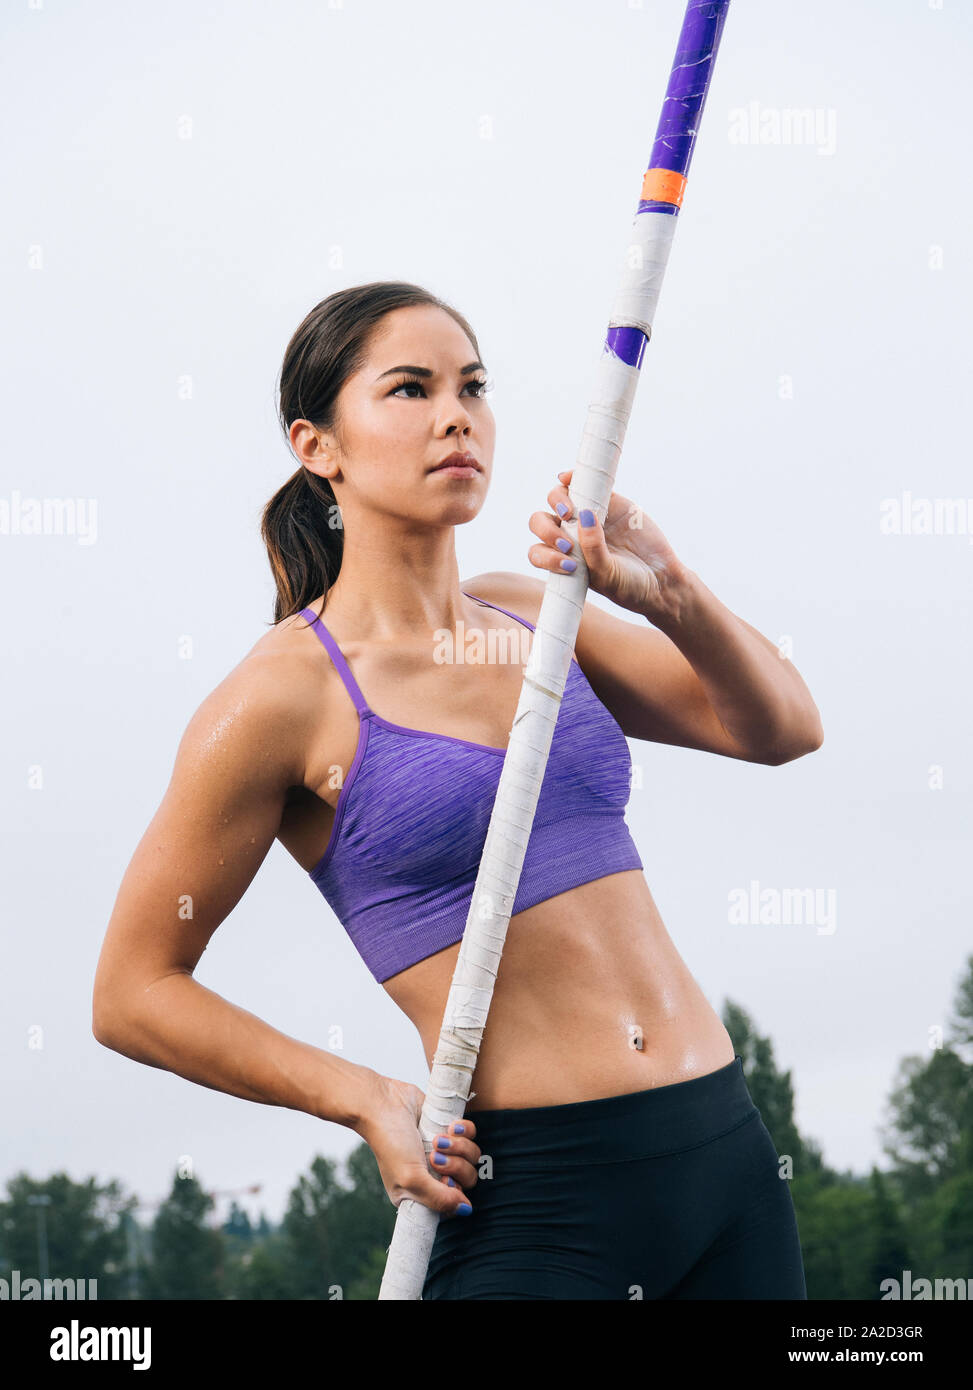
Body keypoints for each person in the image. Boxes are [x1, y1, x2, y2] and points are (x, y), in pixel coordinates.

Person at [93, 280, 822, 1300]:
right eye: (409, 388)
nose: (455, 415)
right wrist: (360, 1098)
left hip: (724, 1158)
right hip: (539, 1199)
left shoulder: (536, 612)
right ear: (318, 446)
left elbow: (782, 727)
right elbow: (132, 992)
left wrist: (671, 594)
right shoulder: (279, 698)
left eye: (472, 387)